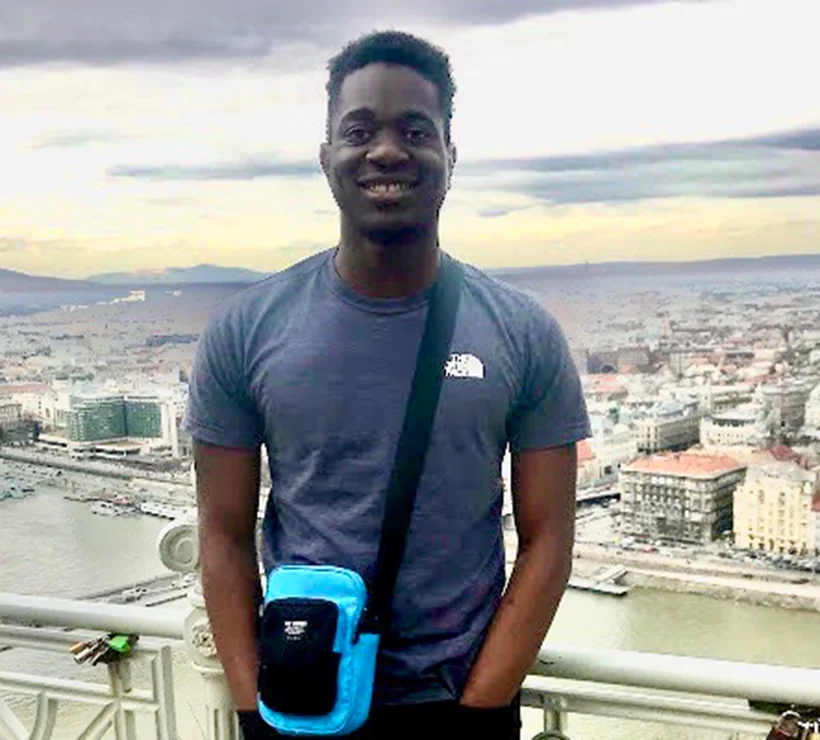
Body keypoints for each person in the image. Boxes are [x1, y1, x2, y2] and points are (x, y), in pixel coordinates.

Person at [183, 30, 591, 739]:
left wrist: (482, 707)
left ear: (450, 155)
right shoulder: (245, 330)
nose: (387, 151)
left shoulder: (523, 333)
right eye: (360, 130)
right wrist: (254, 708)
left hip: (459, 702)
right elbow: (221, 534)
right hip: (298, 701)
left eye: (415, 130)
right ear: (326, 157)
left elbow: (550, 538)